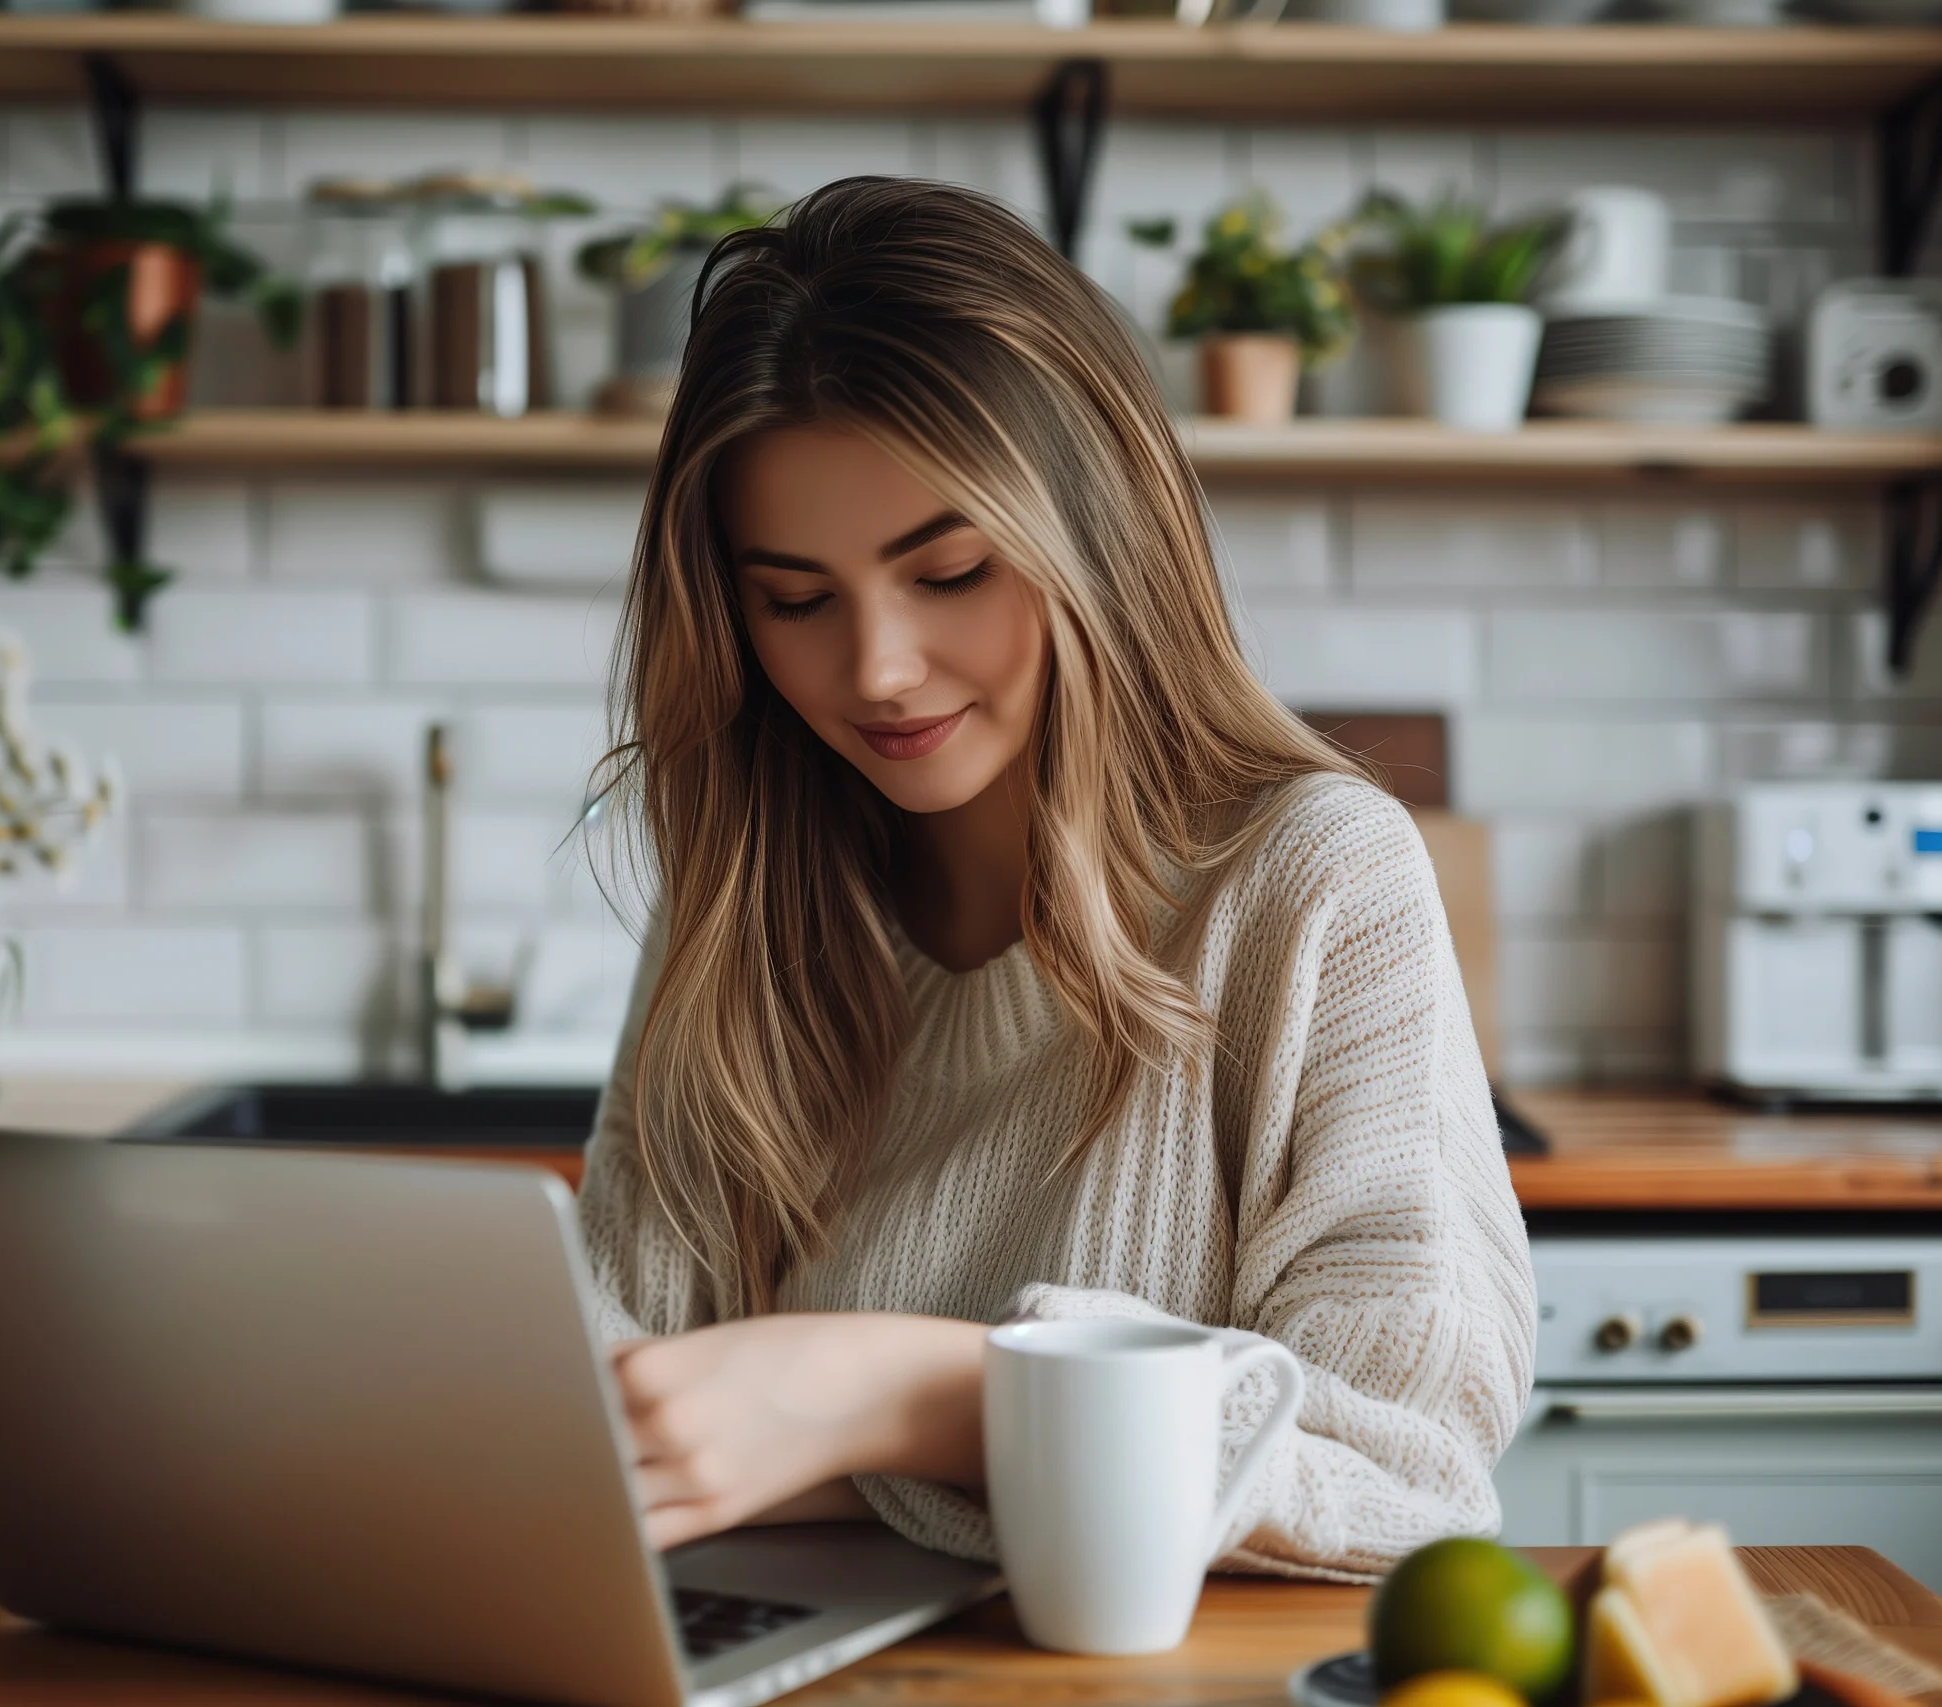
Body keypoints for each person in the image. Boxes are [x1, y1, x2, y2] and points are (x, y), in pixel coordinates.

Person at [577, 175, 1533, 1583]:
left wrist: (908, 1394)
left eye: (950, 570)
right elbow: (623, 1406)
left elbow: (1407, 1475)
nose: (876, 669)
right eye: (793, 599)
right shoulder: (745, 913)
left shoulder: (1318, 881)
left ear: (1103, 540)